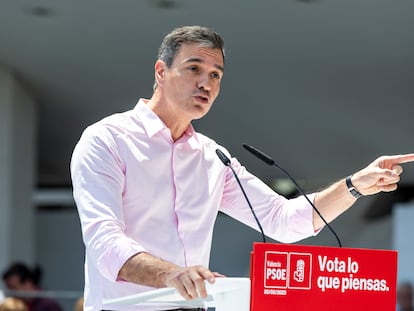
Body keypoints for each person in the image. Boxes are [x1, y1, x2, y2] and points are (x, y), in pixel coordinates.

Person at [70, 25, 414, 311]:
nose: (206, 82)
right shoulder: (106, 139)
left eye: (215, 75)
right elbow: (103, 241)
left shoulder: (212, 157)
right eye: (194, 69)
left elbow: (284, 219)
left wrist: (354, 185)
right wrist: (171, 274)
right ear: (161, 71)